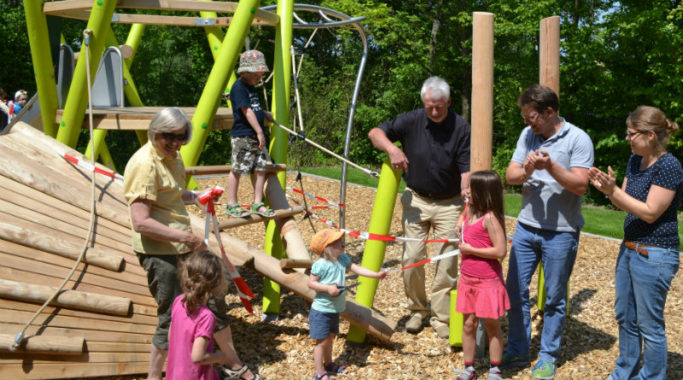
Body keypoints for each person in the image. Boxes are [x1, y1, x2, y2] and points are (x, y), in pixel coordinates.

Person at [123, 107, 262, 380]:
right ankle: (154, 376)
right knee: (171, 315)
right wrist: (186, 237)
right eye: (169, 136)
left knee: (213, 300)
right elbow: (141, 222)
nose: (176, 142)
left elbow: (171, 195)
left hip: (182, 246)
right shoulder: (144, 164)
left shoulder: (172, 156)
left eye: (181, 136)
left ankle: (231, 362)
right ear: (154, 133)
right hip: (161, 252)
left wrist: (197, 195)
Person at [368, 76, 470, 339]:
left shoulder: (461, 127)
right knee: (412, 258)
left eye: (439, 106)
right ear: (424, 102)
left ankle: (441, 317)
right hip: (416, 199)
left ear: (448, 102)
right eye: (429, 106)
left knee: (446, 262)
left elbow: (466, 168)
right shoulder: (412, 119)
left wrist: (467, 193)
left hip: (450, 202)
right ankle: (417, 310)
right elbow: (375, 133)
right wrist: (392, 149)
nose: (434, 112)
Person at [503, 84, 594, 379]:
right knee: (515, 291)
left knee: (554, 298)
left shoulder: (578, 139)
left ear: (549, 112)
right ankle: (517, 350)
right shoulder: (528, 135)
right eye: (525, 117)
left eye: (531, 117)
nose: (527, 122)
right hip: (527, 227)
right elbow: (511, 176)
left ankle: (547, 356)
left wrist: (551, 165)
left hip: (562, 232)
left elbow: (580, 185)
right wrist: (529, 169)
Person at [588, 106, 681, 380]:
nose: (627, 138)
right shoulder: (635, 161)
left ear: (650, 135)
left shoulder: (669, 166)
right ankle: (624, 372)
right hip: (629, 250)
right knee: (625, 317)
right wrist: (610, 190)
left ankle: (651, 376)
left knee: (649, 325)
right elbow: (627, 203)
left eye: (631, 134)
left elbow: (650, 212)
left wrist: (614, 191)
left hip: (655, 254)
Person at [307, 229, 387, 380]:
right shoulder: (321, 265)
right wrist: (328, 288)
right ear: (328, 249)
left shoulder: (343, 259)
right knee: (321, 342)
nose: (343, 243)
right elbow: (311, 283)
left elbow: (357, 268)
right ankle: (318, 372)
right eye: (338, 242)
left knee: (330, 338)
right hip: (321, 311)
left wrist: (376, 275)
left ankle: (329, 364)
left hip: (334, 309)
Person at [453, 170, 509, 380]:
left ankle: (495, 369)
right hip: (468, 279)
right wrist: (459, 225)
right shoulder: (470, 210)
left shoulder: (491, 218)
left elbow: (500, 251)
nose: (466, 191)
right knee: (468, 324)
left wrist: (471, 250)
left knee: (491, 325)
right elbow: (463, 218)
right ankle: (469, 367)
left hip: (488, 281)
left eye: (471, 188)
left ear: (483, 192)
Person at [226, 49, 275, 218]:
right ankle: (231, 203)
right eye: (256, 75)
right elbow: (246, 111)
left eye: (261, 75)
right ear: (245, 72)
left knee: (260, 168)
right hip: (244, 135)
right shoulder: (239, 87)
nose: (259, 78)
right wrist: (260, 131)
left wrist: (264, 113)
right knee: (238, 169)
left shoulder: (251, 87)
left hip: (255, 136)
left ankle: (257, 203)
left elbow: (254, 108)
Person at [167, 251, 227, 380]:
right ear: (217, 282)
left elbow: (170, 335)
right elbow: (198, 357)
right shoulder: (206, 316)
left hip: (175, 372)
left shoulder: (178, 301)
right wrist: (218, 356)